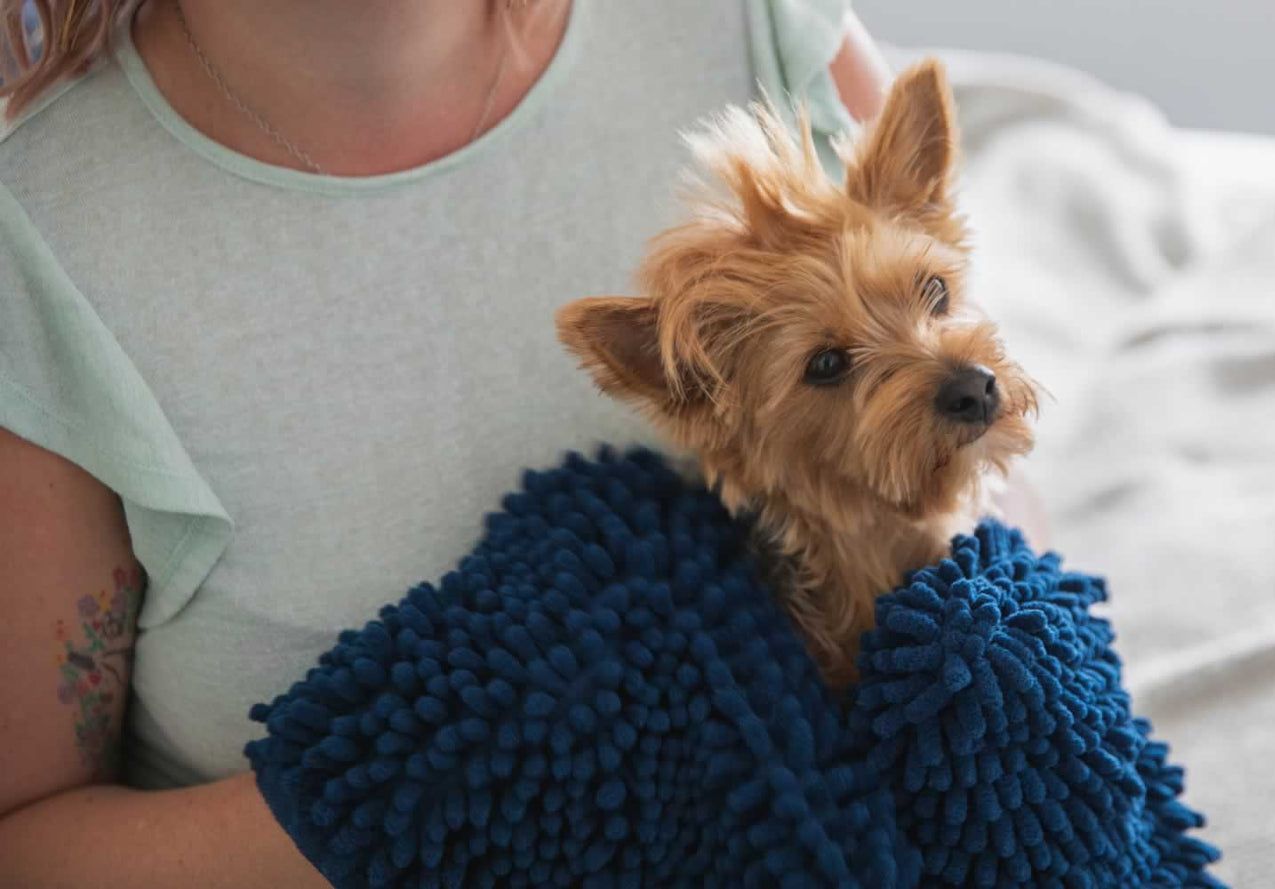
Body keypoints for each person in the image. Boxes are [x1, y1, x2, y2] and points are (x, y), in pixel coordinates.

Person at [0, 1, 1007, 884]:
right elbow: (24, 847)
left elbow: (993, 490)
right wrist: (429, 790)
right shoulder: (46, 233)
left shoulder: (753, 28)